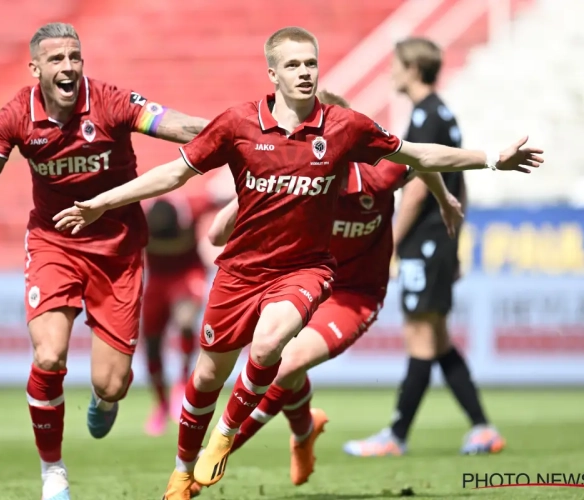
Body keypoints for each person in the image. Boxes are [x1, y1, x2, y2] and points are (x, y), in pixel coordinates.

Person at [51, 26, 542, 499]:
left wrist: (492, 160)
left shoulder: (347, 132)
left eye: (311, 63)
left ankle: (224, 439)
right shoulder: (239, 125)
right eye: (293, 64)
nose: (305, 72)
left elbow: (418, 156)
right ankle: (194, 469)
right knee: (205, 380)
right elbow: (175, 175)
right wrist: (103, 203)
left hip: (314, 275)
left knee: (273, 349)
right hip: (242, 272)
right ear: (273, 73)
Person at [0, 22, 209, 500]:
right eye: (56, 59)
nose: (68, 66)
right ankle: (53, 473)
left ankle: (104, 398)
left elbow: (177, 125)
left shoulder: (109, 101)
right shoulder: (16, 114)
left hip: (118, 252)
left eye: (74, 57)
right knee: (48, 354)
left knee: (111, 386)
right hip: (55, 244)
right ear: (36, 69)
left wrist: (234, 135)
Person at [194, 89, 464, 492]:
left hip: (355, 294)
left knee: (284, 364)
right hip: (304, 282)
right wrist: (243, 200)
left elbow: (420, 162)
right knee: (278, 359)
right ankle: (304, 430)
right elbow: (216, 235)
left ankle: (211, 462)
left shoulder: (380, 174)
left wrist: (444, 199)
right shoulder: (288, 176)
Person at [343, 37, 505, 458]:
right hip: (440, 241)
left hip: (424, 241)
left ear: (413, 68)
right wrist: (457, 237)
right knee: (437, 338)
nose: (390, 71)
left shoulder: (424, 116)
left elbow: (415, 189)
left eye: (396, 64)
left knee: (420, 337)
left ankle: (395, 435)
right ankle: (482, 428)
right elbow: (460, 180)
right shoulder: (443, 113)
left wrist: (388, 245)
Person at [140, 192, 214, 436]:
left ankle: (182, 382)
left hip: (187, 273)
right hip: (157, 280)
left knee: (185, 321)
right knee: (151, 343)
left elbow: (228, 199)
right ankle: (160, 404)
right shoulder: (138, 216)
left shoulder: (193, 206)